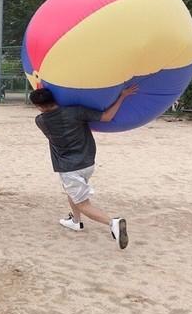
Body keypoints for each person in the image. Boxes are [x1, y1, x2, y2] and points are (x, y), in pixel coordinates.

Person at [29, 86, 138, 250]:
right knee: (71, 193)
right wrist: (122, 96)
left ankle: (112, 223)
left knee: (82, 203)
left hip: (68, 168)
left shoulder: (41, 121)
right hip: (87, 163)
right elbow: (107, 117)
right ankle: (75, 222)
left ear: (38, 106)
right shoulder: (76, 112)